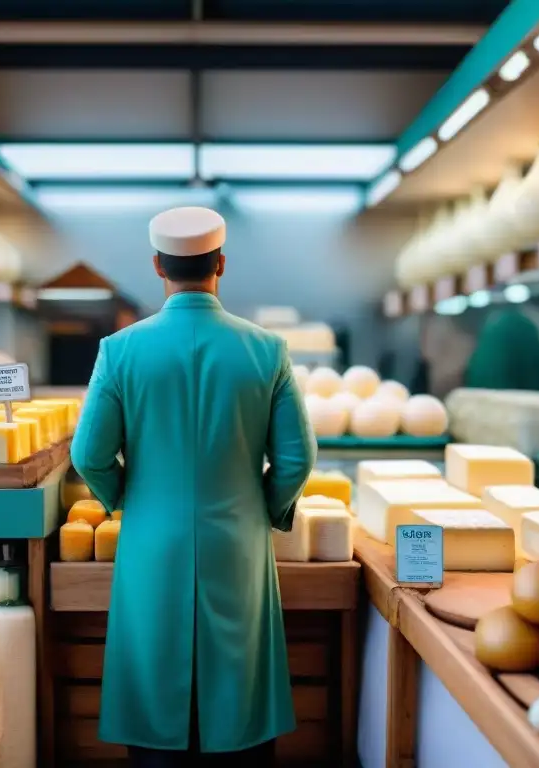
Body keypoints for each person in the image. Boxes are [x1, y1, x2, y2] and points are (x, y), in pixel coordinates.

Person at [70, 206, 317, 768]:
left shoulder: (120, 350)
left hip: (152, 540)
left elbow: (88, 454)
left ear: (158, 266)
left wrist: (124, 495)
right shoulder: (267, 350)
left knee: (155, 681)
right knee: (240, 687)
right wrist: (267, 506)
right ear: (221, 264)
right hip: (238, 540)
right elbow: (297, 458)